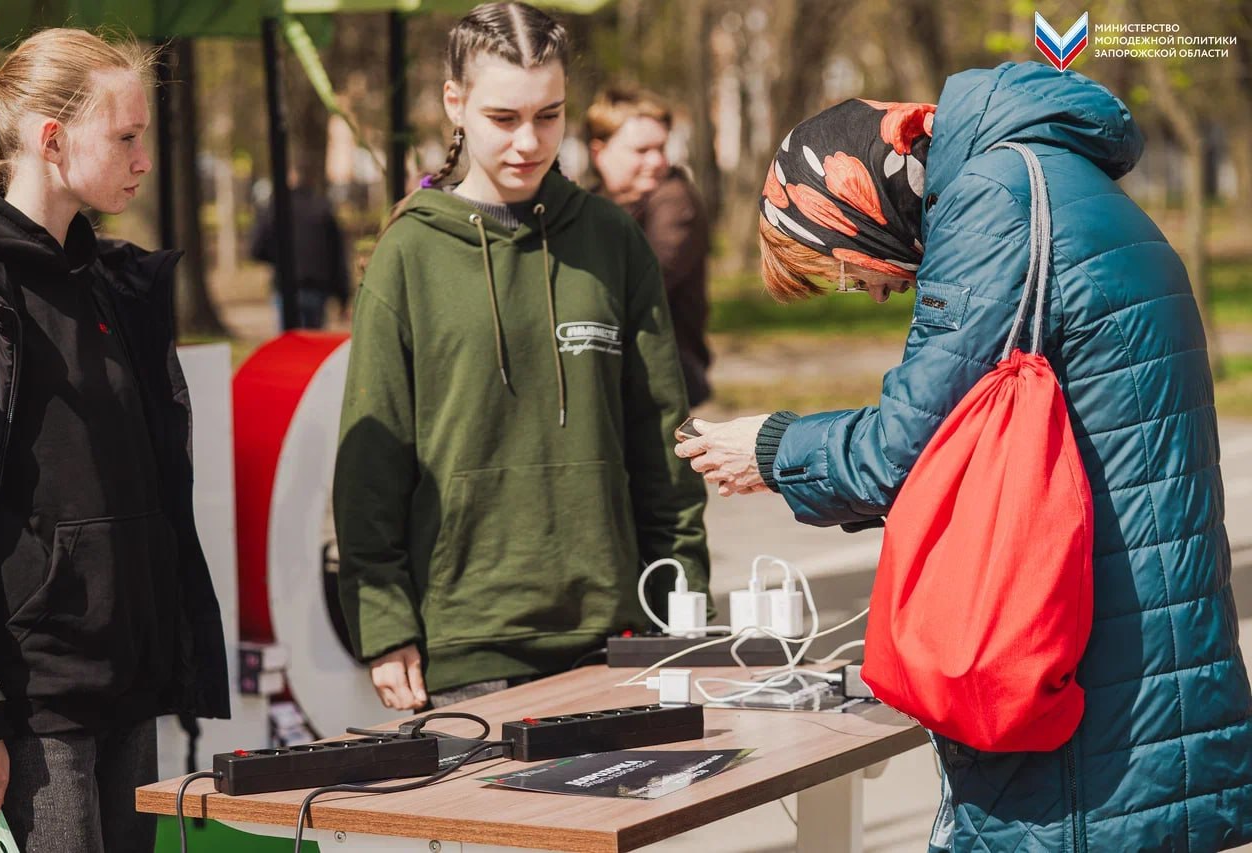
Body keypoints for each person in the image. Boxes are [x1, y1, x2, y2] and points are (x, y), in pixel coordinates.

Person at [677, 62, 1252, 851]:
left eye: (840, 269)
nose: (870, 291)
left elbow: (905, 447)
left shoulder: (992, 201)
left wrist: (772, 448)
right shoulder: (1055, 178)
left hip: (1085, 704)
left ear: (852, 201)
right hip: (1150, 662)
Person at [334, 2, 709, 712]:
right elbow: (370, 465)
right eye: (503, 118)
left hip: (615, 632)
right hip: (463, 645)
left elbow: (664, 441)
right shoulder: (408, 252)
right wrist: (383, 621)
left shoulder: (612, 240)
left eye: (549, 115)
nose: (529, 141)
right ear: (456, 103)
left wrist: (683, 599)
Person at [0, 30, 230, 851]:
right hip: (32, 706)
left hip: (127, 685)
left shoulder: (116, 282)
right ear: (52, 141)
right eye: (125, 137)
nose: (143, 159)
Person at [586, 86, 711, 407]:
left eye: (661, 148)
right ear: (599, 152)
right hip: (605, 370)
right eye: (641, 150)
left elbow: (649, 278)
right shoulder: (587, 204)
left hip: (664, 373)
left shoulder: (674, 200)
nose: (657, 161)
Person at [250, 160, 352, 330]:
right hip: (317, 287)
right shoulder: (322, 208)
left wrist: (278, 259)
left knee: (288, 339)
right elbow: (337, 255)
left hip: (285, 285)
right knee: (312, 338)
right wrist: (343, 296)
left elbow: (257, 248)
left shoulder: (274, 208)